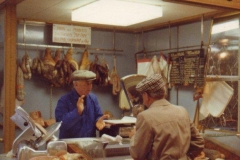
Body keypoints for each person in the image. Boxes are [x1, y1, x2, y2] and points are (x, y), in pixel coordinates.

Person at [129, 74, 204, 160]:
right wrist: (187, 157)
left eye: (142, 95)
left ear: (146, 95)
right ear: (163, 92)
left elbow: (137, 154)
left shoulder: (145, 117)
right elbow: (199, 142)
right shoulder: (182, 111)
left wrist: (134, 137)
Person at [55, 70, 108, 139]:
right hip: (70, 144)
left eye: (91, 83)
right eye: (87, 84)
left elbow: (98, 116)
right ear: (76, 84)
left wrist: (98, 121)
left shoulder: (93, 99)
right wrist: (78, 112)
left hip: (89, 143)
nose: (90, 87)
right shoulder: (64, 100)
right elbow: (60, 125)